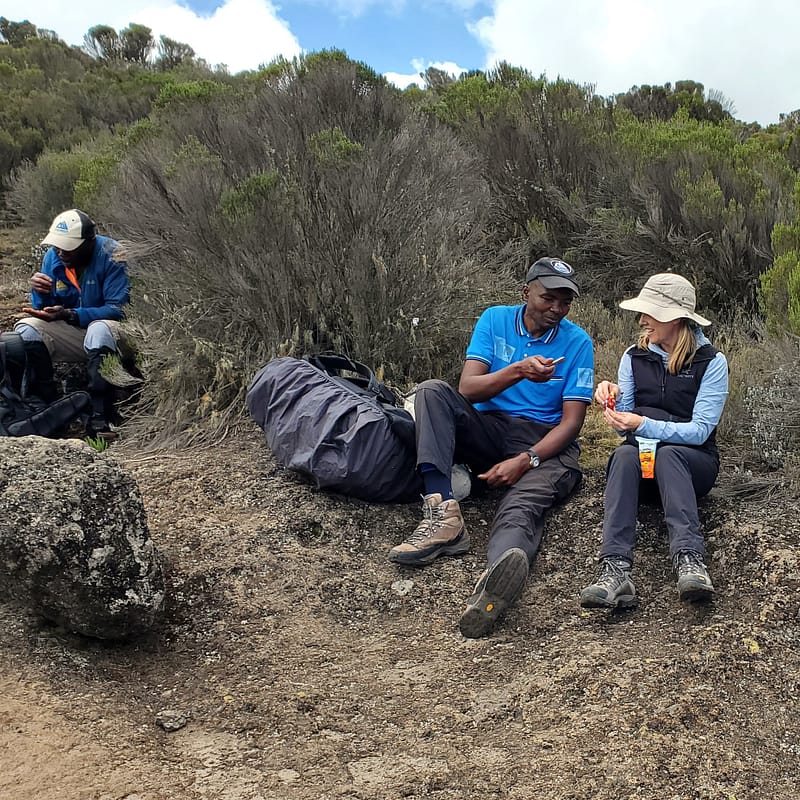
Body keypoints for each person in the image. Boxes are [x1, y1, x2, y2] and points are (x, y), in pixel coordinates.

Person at [388, 257, 595, 638]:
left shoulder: (578, 341)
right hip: (490, 427)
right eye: (549, 298)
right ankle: (442, 514)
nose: (556, 309)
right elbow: (468, 388)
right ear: (526, 293)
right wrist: (519, 370)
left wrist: (526, 459)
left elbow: (572, 423)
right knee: (433, 391)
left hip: (542, 441)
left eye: (565, 302)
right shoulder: (495, 319)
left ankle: (496, 581)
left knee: (521, 504)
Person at [579, 273, 729, 610]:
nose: (643, 319)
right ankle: (615, 569)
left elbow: (700, 432)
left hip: (694, 469)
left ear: (676, 318)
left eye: (652, 312)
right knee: (623, 456)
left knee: (671, 454)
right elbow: (625, 431)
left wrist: (644, 422)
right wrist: (613, 401)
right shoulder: (633, 356)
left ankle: (689, 558)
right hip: (646, 468)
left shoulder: (711, 362)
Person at [13, 209, 135, 439]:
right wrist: (40, 294)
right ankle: (46, 411)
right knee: (26, 328)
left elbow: (119, 311)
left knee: (99, 329)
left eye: (68, 246)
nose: (60, 251)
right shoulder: (55, 257)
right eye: (57, 245)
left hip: (119, 334)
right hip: (79, 332)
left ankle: (102, 419)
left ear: (89, 242)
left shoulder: (113, 254)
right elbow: (45, 308)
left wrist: (70, 314)